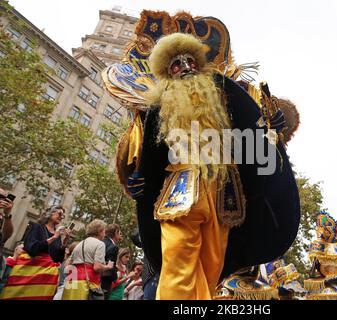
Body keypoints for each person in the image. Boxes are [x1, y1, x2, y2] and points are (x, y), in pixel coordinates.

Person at [130, 31, 300, 300]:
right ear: (167, 71)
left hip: (224, 196)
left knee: (211, 270)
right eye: (177, 63)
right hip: (179, 193)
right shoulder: (161, 105)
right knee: (178, 262)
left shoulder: (224, 92)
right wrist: (140, 180)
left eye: (190, 60)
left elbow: (253, 131)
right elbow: (150, 155)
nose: (186, 66)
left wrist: (271, 132)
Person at [0, 206, 70, 300]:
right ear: (50, 213)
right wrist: (54, 237)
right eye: (60, 214)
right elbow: (31, 248)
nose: (62, 217)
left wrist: (64, 242)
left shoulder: (57, 236)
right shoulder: (37, 228)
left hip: (44, 281)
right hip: (28, 275)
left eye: (63, 216)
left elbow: (57, 259)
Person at [62, 220, 114, 300]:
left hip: (71, 283)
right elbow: (97, 267)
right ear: (100, 231)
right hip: (86, 284)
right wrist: (108, 267)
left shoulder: (80, 244)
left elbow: (67, 264)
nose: (104, 234)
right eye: (104, 231)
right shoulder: (100, 244)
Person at [101, 223, 121, 299]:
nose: (120, 236)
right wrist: (115, 277)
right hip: (105, 282)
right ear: (116, 232)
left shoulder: (101, 243)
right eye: (119, 233)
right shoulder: (114, 247)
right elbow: (110, 266)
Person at [0, 188, 14, 281]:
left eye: (5, 198)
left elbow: (7, 235)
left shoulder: (2, 217)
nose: (2, 200)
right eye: (0, 197)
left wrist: (7, 214)